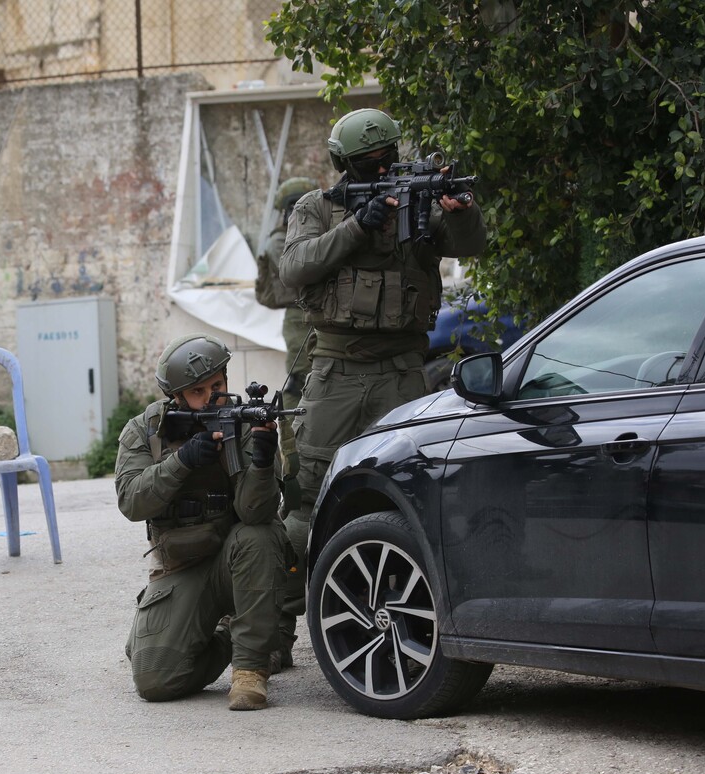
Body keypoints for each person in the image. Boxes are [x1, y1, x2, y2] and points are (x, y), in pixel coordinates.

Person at [276, 109, 487, 663]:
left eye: (387, 160)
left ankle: (409, 620)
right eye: (370, 164)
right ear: (344, 165)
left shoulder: (414, 205)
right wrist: (358, 224)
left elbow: (469, 244)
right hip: (336, 372)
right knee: (305, 497)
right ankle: (271, 639)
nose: (382, 169)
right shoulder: (316, 208)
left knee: (412, 494)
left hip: (402, 372)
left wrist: (460, 212)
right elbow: (295, 268)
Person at [117, 334, 291, 710]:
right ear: (176, 397)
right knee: (155, 679)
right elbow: (131, 501)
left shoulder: (243, 423)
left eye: (218, 385)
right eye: (198, 391)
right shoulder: (144, 430)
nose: (212, 397)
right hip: (181, 565)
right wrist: (182, 461)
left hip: (238, 560)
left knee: (260, 535)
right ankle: (242, 634)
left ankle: (250, 669)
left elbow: (255, 514)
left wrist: (261, 464)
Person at [255, 176, 319, 411]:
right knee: (301, 381)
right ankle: (289, 439)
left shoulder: (310, 233)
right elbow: (305, 268)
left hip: (318, 314)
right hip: (299, 318)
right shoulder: (280, 240)